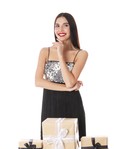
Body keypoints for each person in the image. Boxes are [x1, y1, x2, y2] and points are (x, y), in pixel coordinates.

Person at [35, 12, 88, 140]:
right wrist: (66, 89)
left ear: (72, 28)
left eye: (65, 25)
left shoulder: (81, 54)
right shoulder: (45, 51)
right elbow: (38, 81)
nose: (60, 30)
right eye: (57, 26)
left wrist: (60, 54)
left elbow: (70, 82)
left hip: (72, 105)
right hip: (50, 104)